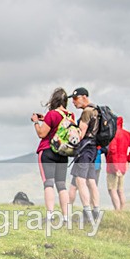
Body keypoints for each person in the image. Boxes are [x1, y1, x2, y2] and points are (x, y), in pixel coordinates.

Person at [31, 88, 73, 223]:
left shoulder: (52, 114)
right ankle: (66, 217)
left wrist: (36, 122)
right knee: (61, 185)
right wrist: (45, 119)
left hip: (48, 151)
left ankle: (50, 216)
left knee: (48, 183)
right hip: (62, 153)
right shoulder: (70, 116)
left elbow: (41, 134)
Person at [69, 87, 101, 224]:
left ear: (84, 97)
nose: (73, 102)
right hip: (93, 149)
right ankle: (96, 210)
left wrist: (71, 128)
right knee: (91, 181)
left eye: (75, 98)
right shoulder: (96, 110)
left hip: (85, 149)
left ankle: (87, 212)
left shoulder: (87, 112)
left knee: (80, 180)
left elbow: (80, 135)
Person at [106, 116, 130, 211]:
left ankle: (117, 210)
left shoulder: (113, 134)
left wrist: (116, 168)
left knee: (112, 189)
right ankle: (122, 210)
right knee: (120, 190)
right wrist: (128, 159)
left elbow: (113, 151)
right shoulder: (126, 134)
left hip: (113, 166)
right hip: (123, 165)